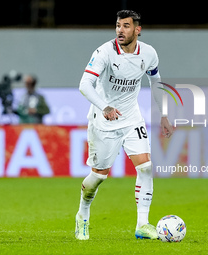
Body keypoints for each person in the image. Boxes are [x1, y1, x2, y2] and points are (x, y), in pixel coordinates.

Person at [76, 10, 173, 240]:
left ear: (137, 30)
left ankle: (142, 224)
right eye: (118, 25)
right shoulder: (104, 53)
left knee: (146, 166)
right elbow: (84, 85)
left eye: (126, 26)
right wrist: (104, 106)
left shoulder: (148, 53)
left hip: (132, 118)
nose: (120, 30)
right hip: (104, 121)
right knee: (98, 176)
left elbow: (156, 81)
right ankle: (83, 213)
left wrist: (164, 114)